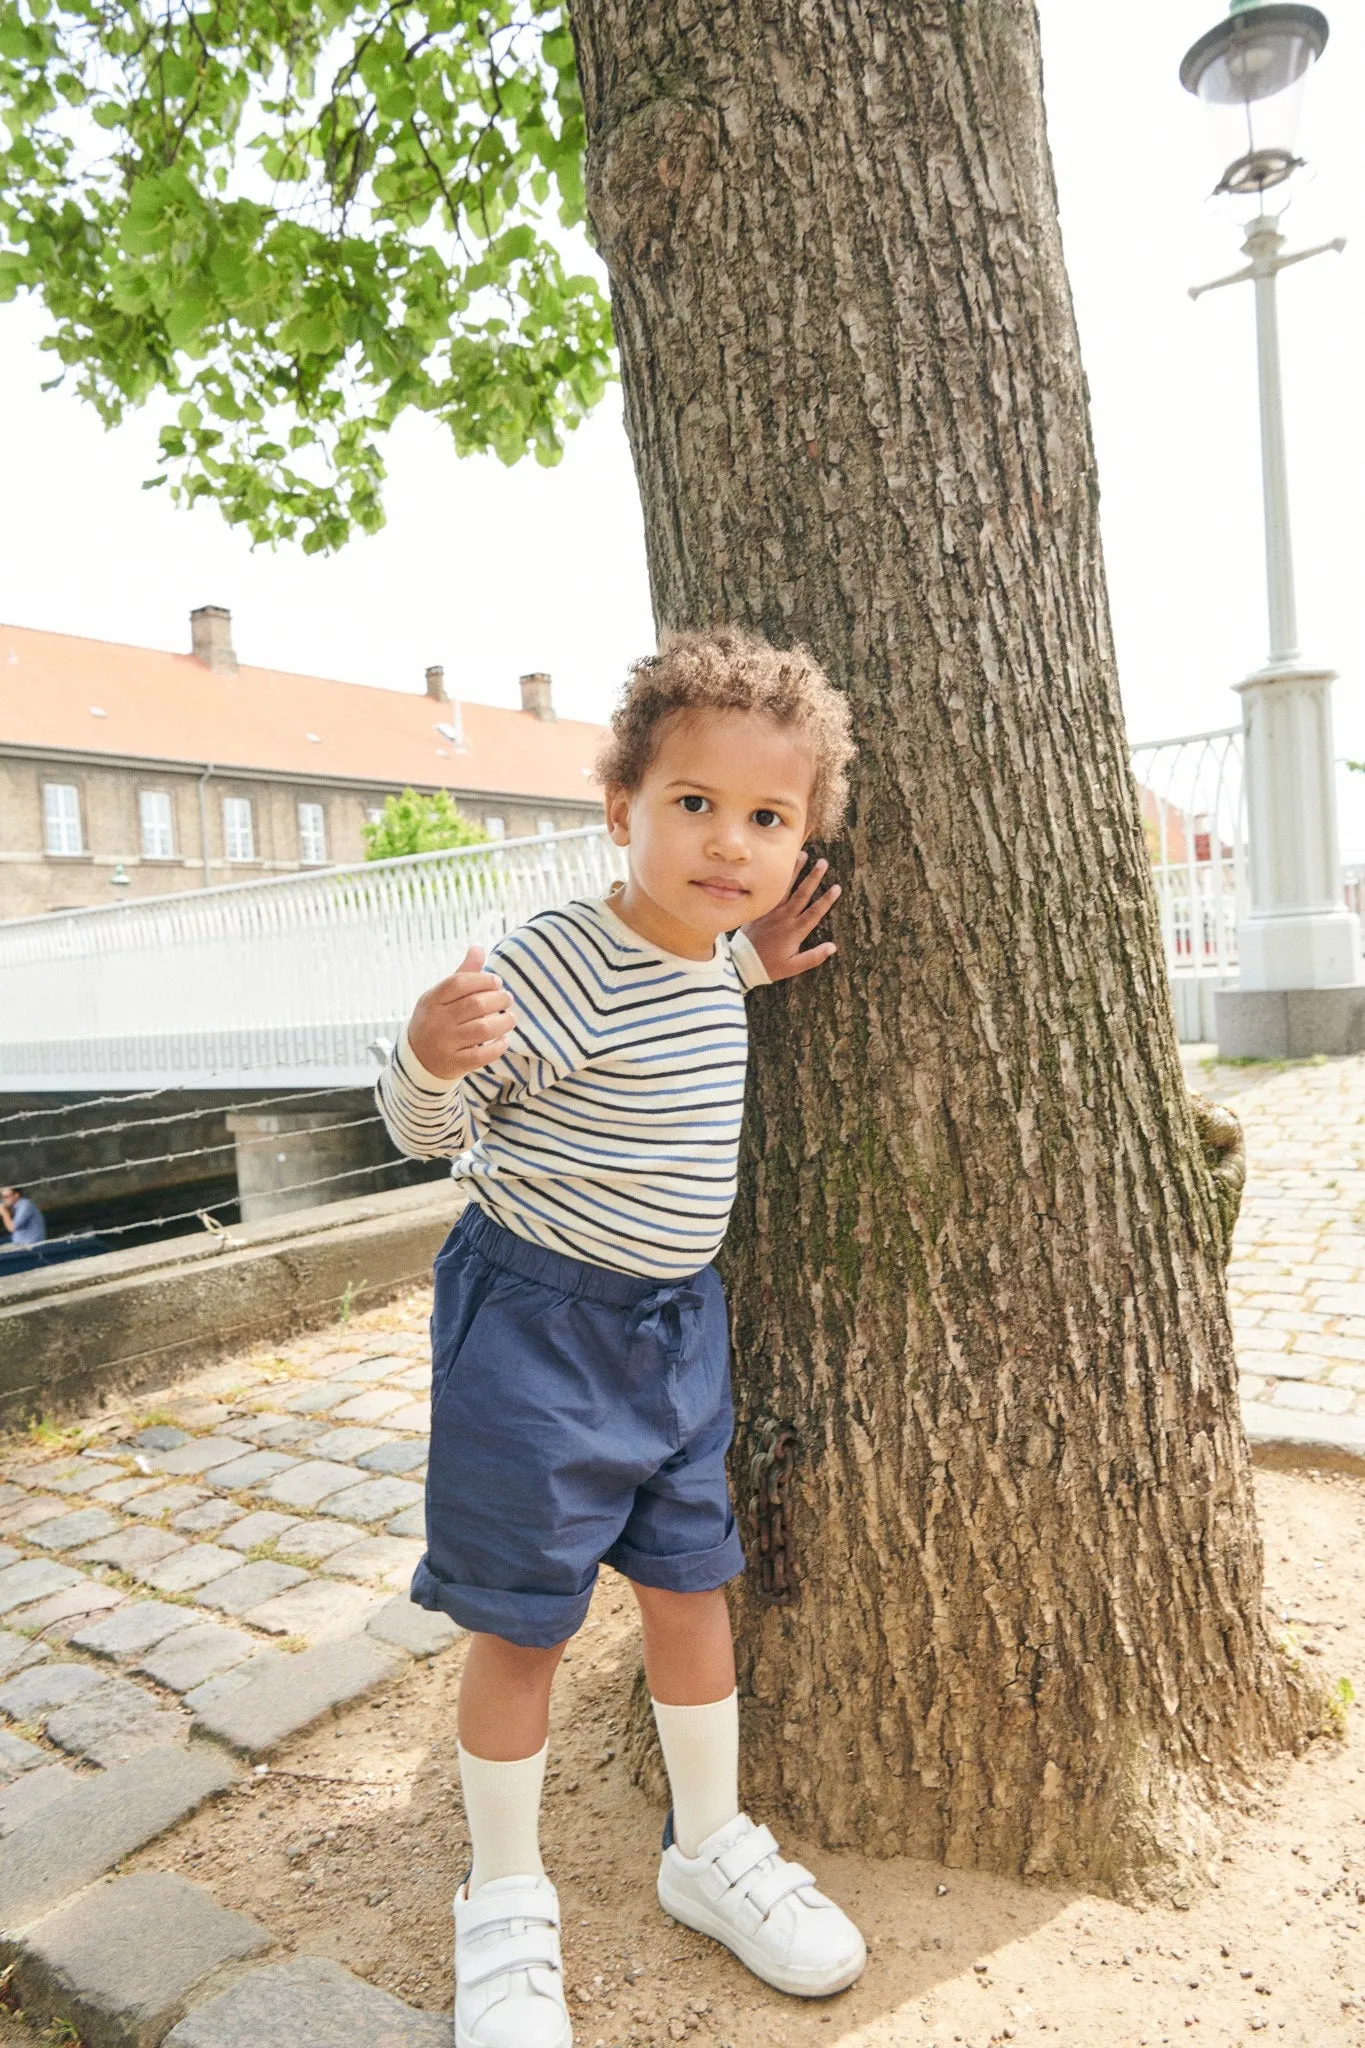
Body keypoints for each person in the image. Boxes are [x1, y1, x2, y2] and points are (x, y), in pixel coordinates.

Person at [377, 627, 865, 2047]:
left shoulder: (712, 954)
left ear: (799, 841)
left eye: (767, 820)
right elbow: (431, 1137)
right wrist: (424, 1052)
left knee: (687, 1584)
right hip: (534, 1327)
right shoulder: (556, 960)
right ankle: (507, 1896)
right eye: (694, 805)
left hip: (674, 1332)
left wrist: (756, 965)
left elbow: (695, 996)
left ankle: (707, 1844)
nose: (729, 842)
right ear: (620, 811)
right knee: (523, 1619)